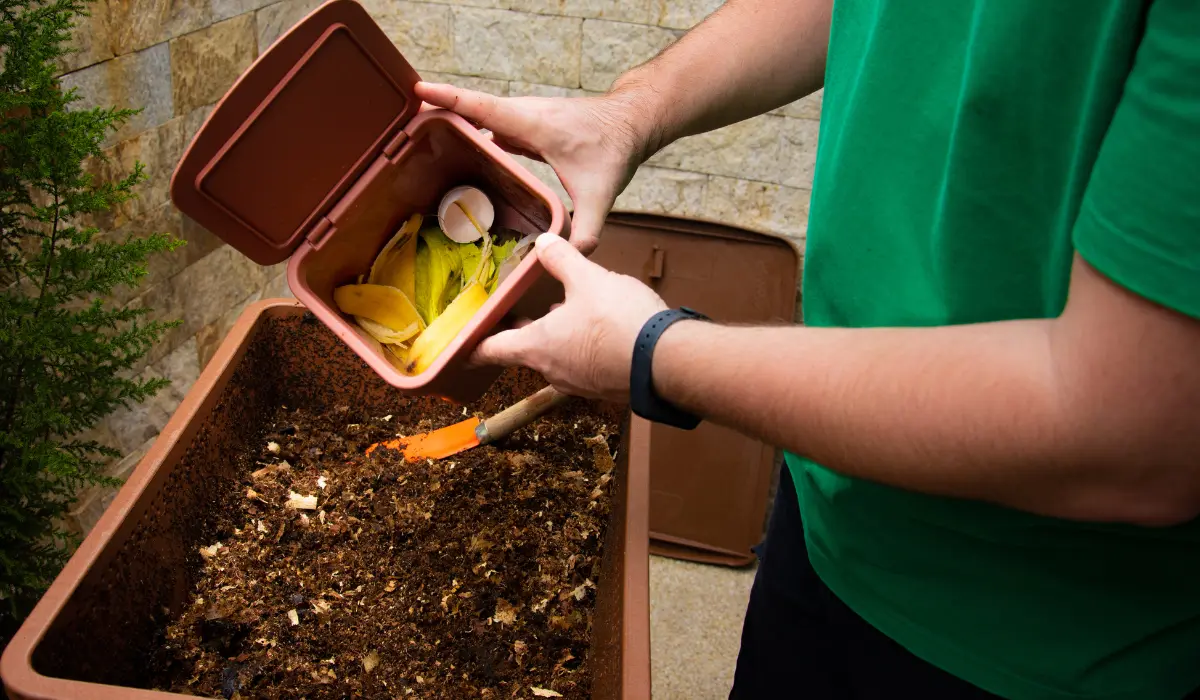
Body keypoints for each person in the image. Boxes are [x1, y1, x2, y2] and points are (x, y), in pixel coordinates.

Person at [415, 0, 1200, 697]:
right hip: (832, 503)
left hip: (1034, 636)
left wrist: (657, 354)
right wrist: (631, 112)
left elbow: (1127, 433)